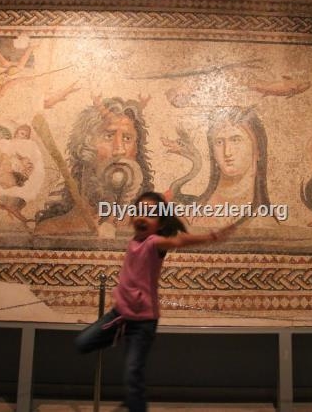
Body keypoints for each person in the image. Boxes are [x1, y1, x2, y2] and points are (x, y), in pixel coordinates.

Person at [74, 191, 236, 412]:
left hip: (142, 323)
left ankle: (134, 402)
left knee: (133, 375)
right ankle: (127, 378)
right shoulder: (134, 241)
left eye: (150, 214)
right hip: (119, 315)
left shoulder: (154, 243)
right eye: (139, 212)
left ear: (160, 224)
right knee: (83, 342)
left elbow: (178, 240)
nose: (142, 217)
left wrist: (211, 236)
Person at [34, 95, 154, 234]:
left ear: (137, 150)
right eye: (108, 136)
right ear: (83, 148)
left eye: (127, 138)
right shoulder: (50, 230)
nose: (120, 150)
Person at [196, 106, 276, 226]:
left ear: (258, 149)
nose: (227, 152)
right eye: (219, 142)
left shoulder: (263, 222)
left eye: (235, 140)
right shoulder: (192, 213)